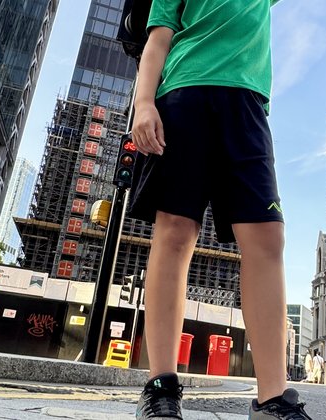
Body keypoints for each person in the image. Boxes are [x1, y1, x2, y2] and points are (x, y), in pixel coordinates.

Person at [128, 0, 312, 419]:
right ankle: (160, 388)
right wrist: (144, 103)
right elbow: (158, 40)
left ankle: (272, 400)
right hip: (183, 94)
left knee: (267, 235)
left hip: (246, 106)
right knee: (175, 230)